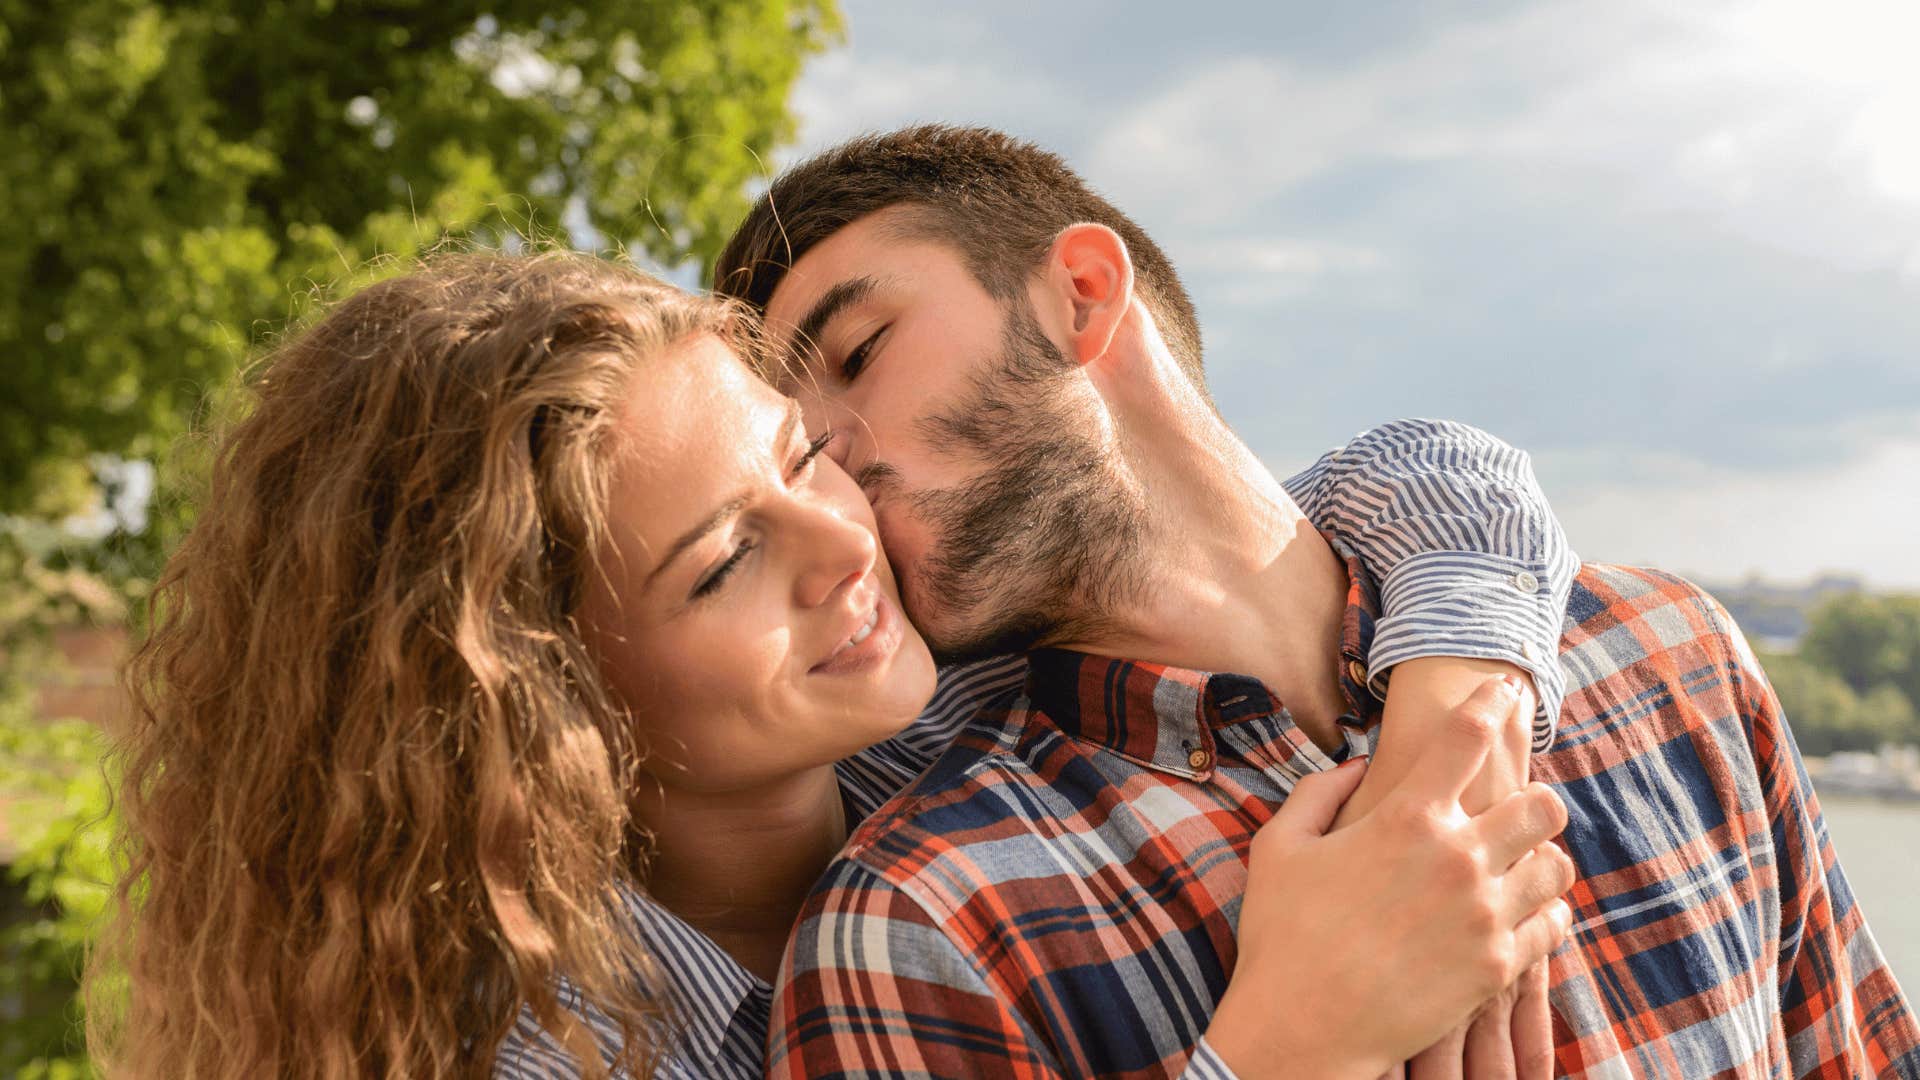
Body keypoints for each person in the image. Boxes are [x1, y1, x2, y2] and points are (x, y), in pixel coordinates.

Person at [91, 250, 1577, 1080]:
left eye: (809, 455)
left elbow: (1417, 484)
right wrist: (1281, 1051)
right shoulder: (543, 1065)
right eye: (726, 562)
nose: (846, 542)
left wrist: (1454, 737)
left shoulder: (955, 708)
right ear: (541, 703)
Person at [713, 124, 1920, 1079]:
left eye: (861, 353)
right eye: (799, 444)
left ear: (1081, 293)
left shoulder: (1673, 662)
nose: (837, 454)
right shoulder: (922, 929)